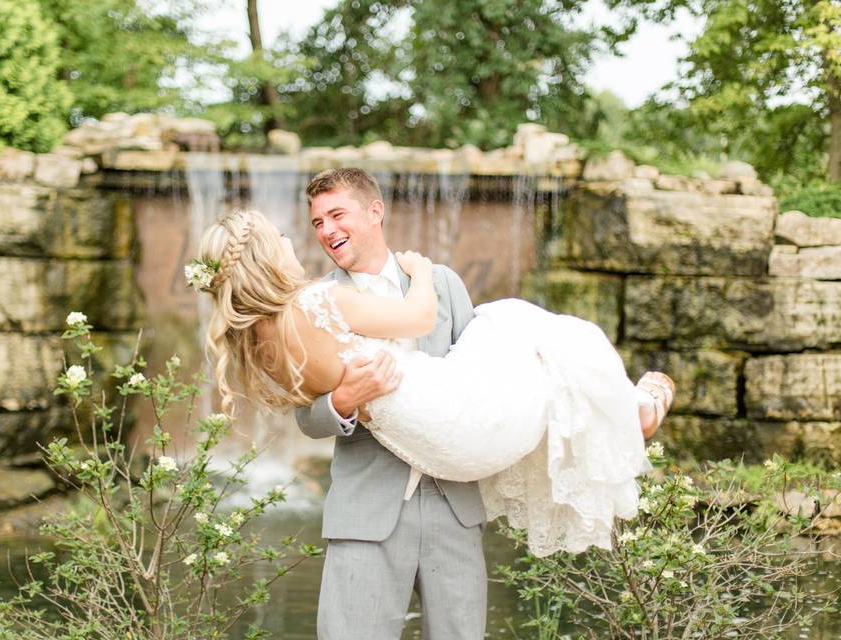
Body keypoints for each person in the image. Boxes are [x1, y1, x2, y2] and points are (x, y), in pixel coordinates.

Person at [188, 169, 674, 640]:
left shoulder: (441, 283)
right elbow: (306, 417)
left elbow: (484, 383)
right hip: (369, 515)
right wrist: (340, 401)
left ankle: (627, 412)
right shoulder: (316, 301)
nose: (326, 230)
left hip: (453, 504)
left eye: (337, 215)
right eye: (317, 222)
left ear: (375, 211)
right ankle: (637, 409)